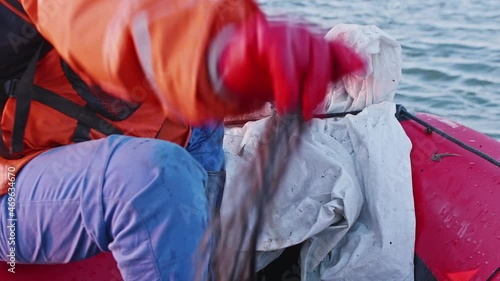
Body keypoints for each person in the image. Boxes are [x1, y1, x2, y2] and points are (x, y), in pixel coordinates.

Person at [0, 0, 364, 280]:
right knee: (154, 178)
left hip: (88, 142)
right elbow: (98, 21)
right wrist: (218, 57)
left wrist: (259, 61)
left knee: (200, 122)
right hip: (11, 182)